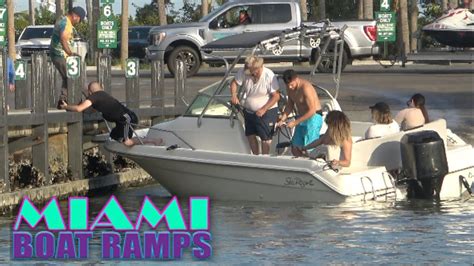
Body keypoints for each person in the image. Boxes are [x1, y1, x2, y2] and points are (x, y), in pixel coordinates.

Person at [59, 81, 162, 147]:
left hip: (126, 120)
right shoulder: (104, 96)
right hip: (124, 119)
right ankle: (141, 141)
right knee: (113, 135)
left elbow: (79, 108)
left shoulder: (93, 97)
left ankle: (153, 141)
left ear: (90, 92)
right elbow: (93, 110)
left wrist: (65, 106)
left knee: (127, 142)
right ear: (101, 88)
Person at [230, 56, 280, 155]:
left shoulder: (269, 75)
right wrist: (234, 95)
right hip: (249, 111)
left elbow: (276, 96)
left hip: (267, 110)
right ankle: (256, 157)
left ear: (258, 68)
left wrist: (264, 109)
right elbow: (234, 83)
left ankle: (265, 159)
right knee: (250, 135)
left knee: (265, 138)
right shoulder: (244, 71)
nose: (251, 74)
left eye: (252, 72)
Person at [277, 69, 323, 157]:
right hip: (301, 117)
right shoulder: (289, 88)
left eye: (292, 84)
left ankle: (312, 161)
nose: (290, 87)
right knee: (295, 147)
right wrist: (282, 119)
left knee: (309, 147)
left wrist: (294, 123)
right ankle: (301, 161)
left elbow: (312, 110)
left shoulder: (305, 87)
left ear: (296, 79)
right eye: (288, 85)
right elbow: (290, 105)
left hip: (314, 116)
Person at [50, 6, 86, 109]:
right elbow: (63, 38)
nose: (79, 22)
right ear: (75, 16)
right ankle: (90, 98)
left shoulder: (63, 21)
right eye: (80, 19)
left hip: (58, 54)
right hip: (60, 55)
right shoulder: (66, 23)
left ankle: (63, 100)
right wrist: (70, 53)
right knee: (74, 77)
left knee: (67, 78)